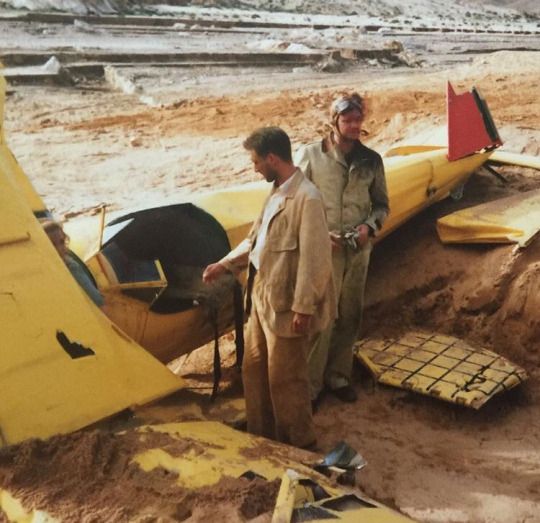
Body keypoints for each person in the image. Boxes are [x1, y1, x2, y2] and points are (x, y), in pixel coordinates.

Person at [203, 127, 335, 449]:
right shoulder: (275, 192)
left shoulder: (307, 199)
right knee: (254, 371)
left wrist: (304, 307)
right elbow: (255, 241)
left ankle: (300, 445)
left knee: (286, 381)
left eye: (256, 161)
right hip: (261, 297)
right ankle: (262, 437)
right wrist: (224, 263)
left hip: (288, 304)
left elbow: (316, 261)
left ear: (273, 159)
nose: (255, 168)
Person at [295, 92, 389, 405]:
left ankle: (338, 377)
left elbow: (381, 205)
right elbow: (294, 201)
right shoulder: (311, 155)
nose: (352, 124)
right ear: (334, 121)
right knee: (322, 317)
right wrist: (317, 235)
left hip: (359, 251)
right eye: (346, 119)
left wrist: (369, 227)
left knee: (350, 314)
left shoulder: (371, 160)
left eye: (357, 119)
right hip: (324, 250)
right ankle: (310, 387)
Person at [42, 219, 105, 308]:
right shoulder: (70, 266)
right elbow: (97, 301)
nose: (60, 249)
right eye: (53, 245)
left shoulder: (70, 265)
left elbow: (96, 299)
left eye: (61, 242)